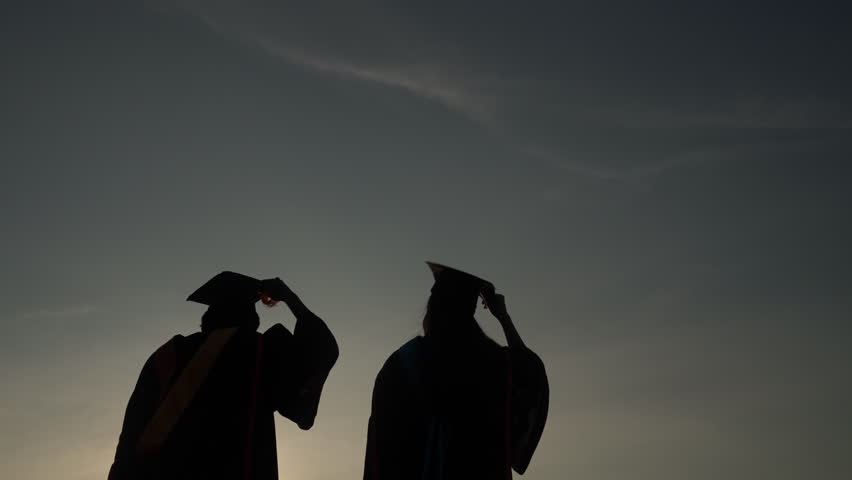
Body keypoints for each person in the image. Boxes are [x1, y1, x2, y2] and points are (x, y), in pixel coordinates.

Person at [108, 271, 339, 480]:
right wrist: (290, 298)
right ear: (251, 319)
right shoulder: (259, 351)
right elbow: (320, 349)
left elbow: (131, 432)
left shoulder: (169, 354)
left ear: (208, 315)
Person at [364, 262, 549, 480]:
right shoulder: (497, 366)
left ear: (432, 307)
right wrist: (503, 318)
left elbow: (379, 453)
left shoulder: (400, 365)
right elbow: (530, 372)